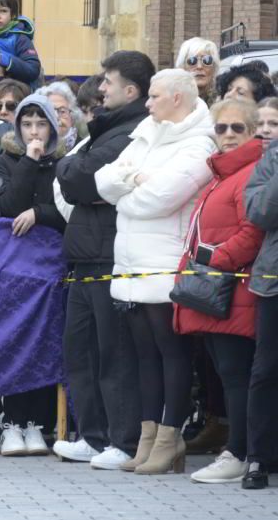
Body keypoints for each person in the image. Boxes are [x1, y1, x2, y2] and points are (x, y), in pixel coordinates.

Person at [95, 69, 215, 475]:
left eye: (155, 96)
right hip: (131, 260)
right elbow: (103, 180)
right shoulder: (148, 129)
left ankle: (170, 436)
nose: (146, 103)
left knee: (173, 353)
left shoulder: (200, 143)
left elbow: (159, 200)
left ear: (178, 98)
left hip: (166, 262)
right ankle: (148, 437)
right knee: (145, 355)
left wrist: (126, 191)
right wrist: (134, 182)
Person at [53, 50, 152, 468]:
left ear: (130, 90)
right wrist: (75, 169)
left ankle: (123, 439)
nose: (101, 87)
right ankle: (91, 436)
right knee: (81, 351)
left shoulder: (130, 132)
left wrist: (75, 171)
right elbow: (75, 170)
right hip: (84, 255)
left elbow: (78, 177)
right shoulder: (104, 128)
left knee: (113, 353)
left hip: (109, 255)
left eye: (108, 81)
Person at [170, 99, 264, 484]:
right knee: (226, 378)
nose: (226, 135)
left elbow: (252, 229)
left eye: (236, 128)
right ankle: (237, 448)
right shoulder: (223, 174)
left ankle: (240, 451)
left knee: (236, 376)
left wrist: (217, 260)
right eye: (220, 128)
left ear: (253, 131)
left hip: (234, 290)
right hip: (217, 289)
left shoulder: (251, 172)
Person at [0, 93, 65, 455]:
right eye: (27, 124)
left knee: (44, 344)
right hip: (16, 269)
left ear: (53, 126)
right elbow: (7, 206)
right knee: (17, 344)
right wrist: (30, 161)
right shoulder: (5, 161)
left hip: (52, 268)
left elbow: (70, 209)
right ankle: (13, 424)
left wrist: (41, 213)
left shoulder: (66, 161)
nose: (34, 132)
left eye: (41, 124)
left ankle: (38, 424)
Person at [242, 114, 278, 490]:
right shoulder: (272, 159)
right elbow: (260, 212)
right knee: (266, 370)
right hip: (273, 280)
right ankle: (258, 458)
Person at [37, 81, 87, 149]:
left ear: (72, 117)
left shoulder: (84, 147)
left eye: (62, 111)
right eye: (50, 111)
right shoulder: (31, 148)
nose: (56, 117)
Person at [176, 37, 221, 105]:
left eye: (207, 60)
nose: (199, 66)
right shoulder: (172, 102)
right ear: (183, 67)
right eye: (192, 61)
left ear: (214, 68)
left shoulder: (223, 103)